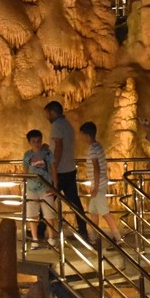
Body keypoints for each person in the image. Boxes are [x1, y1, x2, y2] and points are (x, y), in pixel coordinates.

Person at [45, 100, 89, 238]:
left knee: (46, 198)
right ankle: (83, 230)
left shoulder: (57, 125)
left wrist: (54, 166)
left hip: (60, 171)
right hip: (70, 168)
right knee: (74, 202)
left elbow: (59, 146)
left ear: (53, 112)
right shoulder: (68, 125)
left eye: (47, 114)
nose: (47, 117)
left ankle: (40, 230)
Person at [80, 121, 122, 246]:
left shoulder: (93, 148)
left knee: (104, 212)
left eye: (82, 135)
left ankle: (117, 238)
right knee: (93, 211)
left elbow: (96, 167)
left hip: (99, 185)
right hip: (98, 184)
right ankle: (93, 237)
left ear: (87, 135)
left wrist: (96, 187)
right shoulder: (98, 146)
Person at [22, 129, 58, 248]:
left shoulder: (47, 154)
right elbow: (25, 171)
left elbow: (53, 170)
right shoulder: (27, 155)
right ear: (29, 142)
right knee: (32, 214)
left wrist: (55, 187)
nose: (37, 143)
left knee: (48, 214)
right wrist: (25, 185)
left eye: (39, 141)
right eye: (34, 141)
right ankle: (35, 238)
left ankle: (51, 238)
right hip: (32, 188)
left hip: (46, 187)